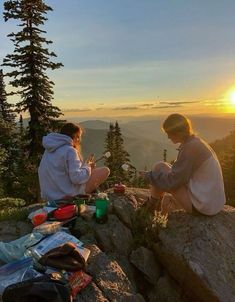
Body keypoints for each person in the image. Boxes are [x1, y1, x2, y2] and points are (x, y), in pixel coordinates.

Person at [140, 113, 226, 216]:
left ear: (178, 132)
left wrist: (148, 176)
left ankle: (151, 208)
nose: (168, 137)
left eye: (169, 133)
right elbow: (180, 175)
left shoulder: (190, 147)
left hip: (202, 207)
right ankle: (153, 205)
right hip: (212, 203)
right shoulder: (196, 142)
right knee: (160, 166)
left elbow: (173, 182)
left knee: (158, 170)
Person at [38, 122, 110, 201]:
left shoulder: (50, 149)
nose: (79, 140)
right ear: (75, 136)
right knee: (105, 171)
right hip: (66, 195)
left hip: (50, 195)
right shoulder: (70, 150)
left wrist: (85, 166)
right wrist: (88, 167)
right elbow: (77, 178)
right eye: (79, 137)